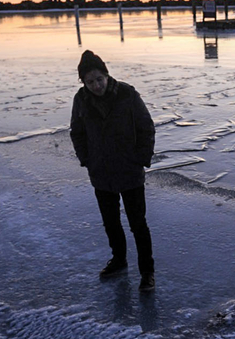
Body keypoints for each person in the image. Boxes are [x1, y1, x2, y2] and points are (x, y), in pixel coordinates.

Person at [70, 50, 156, 292]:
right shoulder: (81, 100)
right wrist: (86, 159)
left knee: (138, 224)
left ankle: (147, 272)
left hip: (129, 170)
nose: (96, 85)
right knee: (111, 222)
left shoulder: (127, 94)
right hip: (101, 173)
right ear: (83, 83)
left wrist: (141, 158)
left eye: (99, 79)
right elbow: (77, 132)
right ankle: (119, 260)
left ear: (106, 75)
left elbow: (146, 127)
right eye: (90, 81)